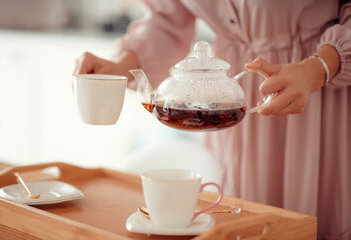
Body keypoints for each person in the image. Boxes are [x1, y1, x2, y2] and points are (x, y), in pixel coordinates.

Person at [73, 1, 351, 239]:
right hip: (234, 123)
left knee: (308, 220)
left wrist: (319, 68)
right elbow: (166, 20)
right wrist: (123, 65)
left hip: (317, 94)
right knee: (238, 220)